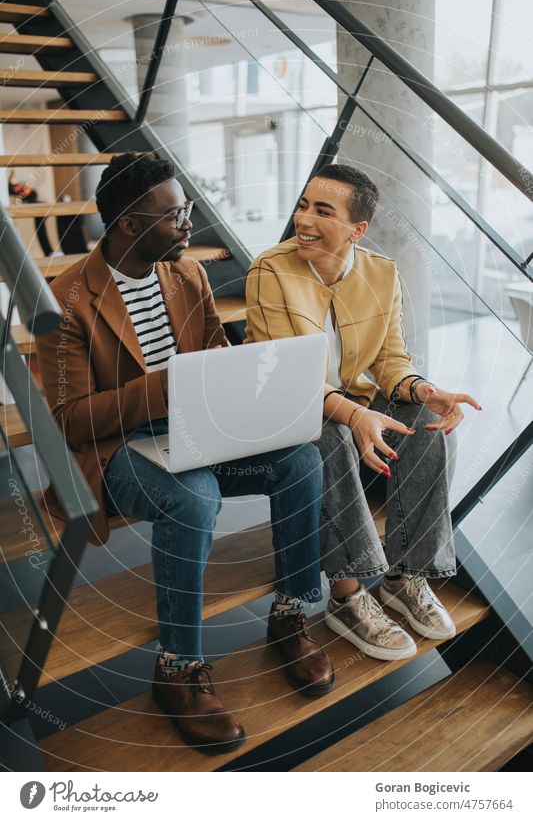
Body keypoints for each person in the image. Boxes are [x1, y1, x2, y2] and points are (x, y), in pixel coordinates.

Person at [36, 152, 334, 756]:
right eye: (174, 215)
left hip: (197, 430)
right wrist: (164, 386)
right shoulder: (67, 300)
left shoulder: (188, 276)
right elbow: (69, 421)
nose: (188, 224)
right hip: (119, 449)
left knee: (302, 461)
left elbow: (215, 357)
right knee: (194, 496)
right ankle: (177, 665)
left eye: (187, 210)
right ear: (128, 225)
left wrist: (250, 385)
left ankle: (290, 611)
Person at [245, 163, 481, 663]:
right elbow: (285, 375)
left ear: (358, 229)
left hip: (354, 400)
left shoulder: (381, 272)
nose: (304, 219)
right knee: (328, 438)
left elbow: (391, 359)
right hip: (285, 406)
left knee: (430, 429)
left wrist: (424, 390)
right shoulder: (270, 269)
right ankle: (348, 594)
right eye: (303, 205)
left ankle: (404, 577)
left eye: (322, 211)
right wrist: (353, 416)